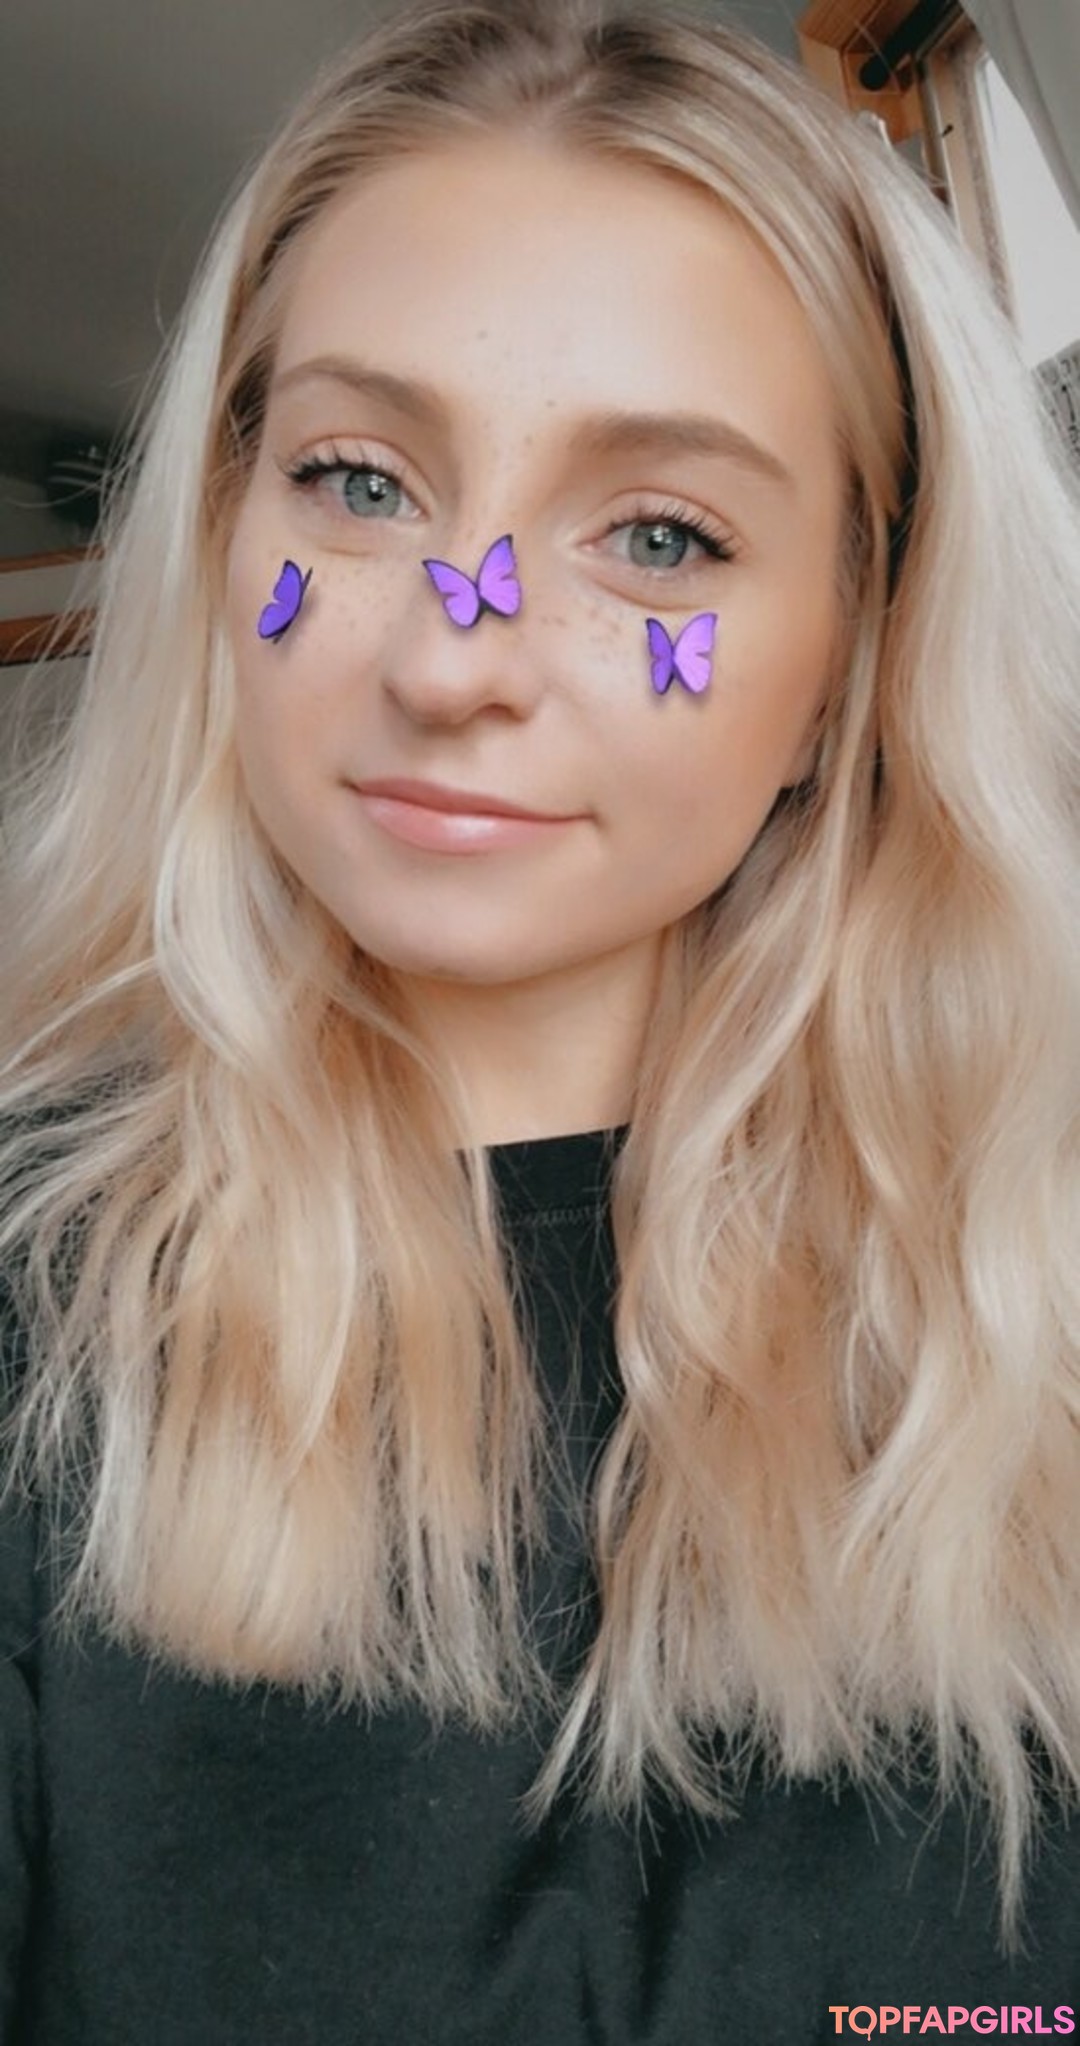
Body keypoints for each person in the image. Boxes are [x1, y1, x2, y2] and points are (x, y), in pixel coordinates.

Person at [2, 1, 1080, 2037]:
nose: (453, 657)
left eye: (659, 534)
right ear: (224, 532)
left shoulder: (1045, 1309)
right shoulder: (30, 1313)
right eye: (358, 479)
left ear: (851, 661)